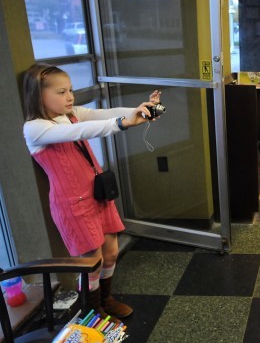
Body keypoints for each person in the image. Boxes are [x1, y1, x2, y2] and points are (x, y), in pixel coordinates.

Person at [22, 63, 161, 322]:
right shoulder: (35, 128)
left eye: (71, 90)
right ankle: (93, 313)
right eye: (61, 92)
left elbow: (103, 113)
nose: (70, 97)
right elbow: (80, 131)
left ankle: (105, 299)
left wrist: (139, 110)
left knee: (110, 252)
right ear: (38, 95)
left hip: (97, 196)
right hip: (72, 204)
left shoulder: (72, 113)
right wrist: (123, 122)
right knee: (91, 262)